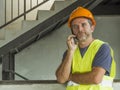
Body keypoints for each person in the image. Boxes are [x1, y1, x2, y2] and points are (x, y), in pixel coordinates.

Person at [56, 6, 116, 90]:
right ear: (72, 32)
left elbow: (95, 78)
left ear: (92, 28)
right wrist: (70, 52)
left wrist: (70, 77)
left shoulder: (102, 48)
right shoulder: (69, 51)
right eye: (75, 26)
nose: (80, 29)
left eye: (83, 25)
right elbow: (61, 78)